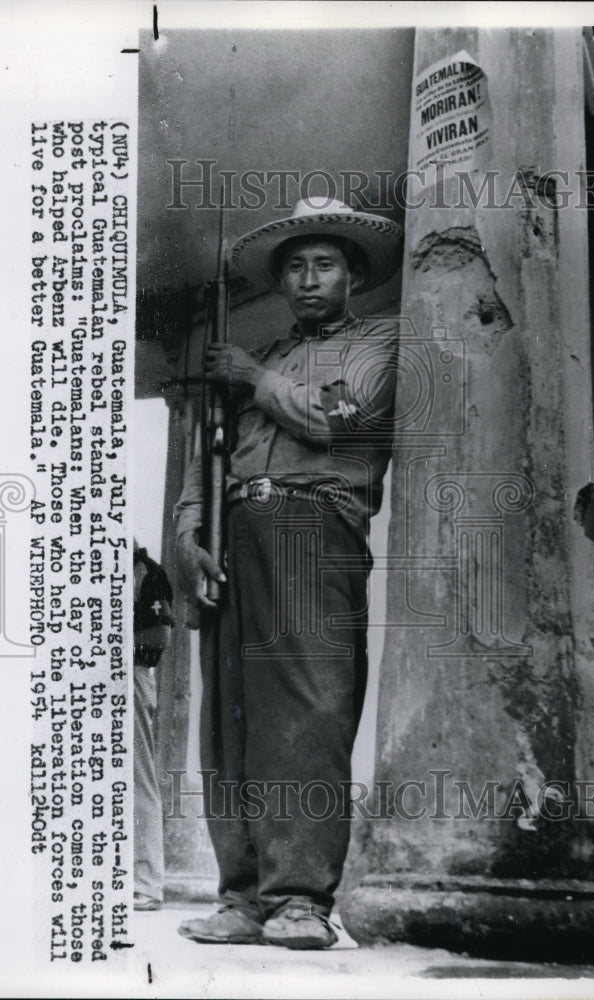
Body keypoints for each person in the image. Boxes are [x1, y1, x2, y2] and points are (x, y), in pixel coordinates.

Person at [174, 198, 403, 949]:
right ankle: (241, 899)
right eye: (295, 268)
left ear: (354, 275)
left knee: (307, 717)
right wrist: (188, 534)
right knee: (230, 720)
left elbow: (336, 423)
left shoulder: (381, 342)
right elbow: (205, 462)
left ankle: (301, 900)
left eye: (324, 265)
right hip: (237, 535)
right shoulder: (264, 353)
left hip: (316, 527)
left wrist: (253, 376)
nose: (308, 279)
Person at [132, 542, 175, 911]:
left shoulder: (148, 571)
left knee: (138, 775)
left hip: (130, 674)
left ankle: (146, 883)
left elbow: (158, 638)